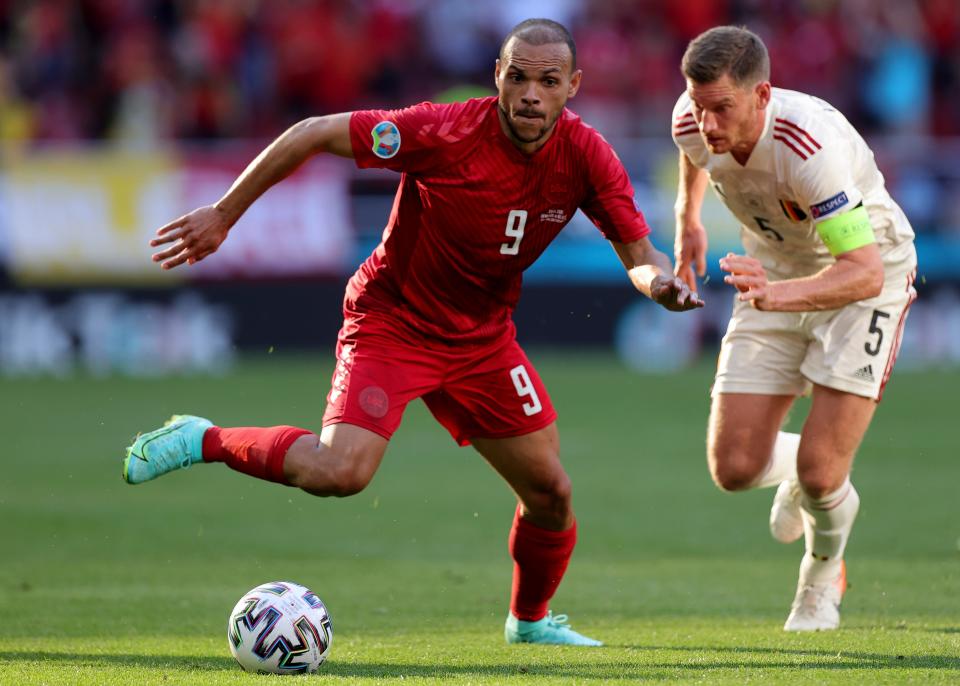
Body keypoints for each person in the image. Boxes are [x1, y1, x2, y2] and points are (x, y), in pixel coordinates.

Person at [123, 18, 703, 646]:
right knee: (340, 473)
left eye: (548, 80)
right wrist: (224, 214)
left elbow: (641, 256)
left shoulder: (587, 155)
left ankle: (528, 623)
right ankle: (202, 438)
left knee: (551, 493)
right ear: (498, 78)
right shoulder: (444, 130)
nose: (531, 94)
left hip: (482, 339)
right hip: (392, 323)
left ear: (573, 87)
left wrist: (662, 286)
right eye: (518, 77)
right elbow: (313, 132)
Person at [671, 26, 917, 631]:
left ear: (762, 95)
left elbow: (860, 272)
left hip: (867, 278)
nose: (708, 124)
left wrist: (777, 296)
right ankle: (807, 477)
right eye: (699, 106)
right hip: (774, 274)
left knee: (821, 472)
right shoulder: (691, 117)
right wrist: (688, 216)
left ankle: (819, 580)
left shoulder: (808, 149)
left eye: (722, 108)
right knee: (733, 468)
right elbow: (693, 150)